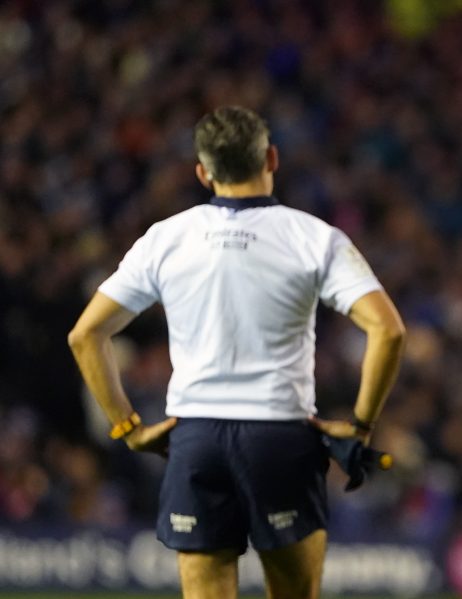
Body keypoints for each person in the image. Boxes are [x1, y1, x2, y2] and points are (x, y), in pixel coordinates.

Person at [67, 106, 405, 599]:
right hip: (281, 438)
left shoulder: (166, 238)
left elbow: (86, 335)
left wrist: (128, 428)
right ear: (271, 157)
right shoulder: (313, 237)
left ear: (203, 172)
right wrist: (359, 424)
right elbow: (388, 331)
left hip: (196, 437)